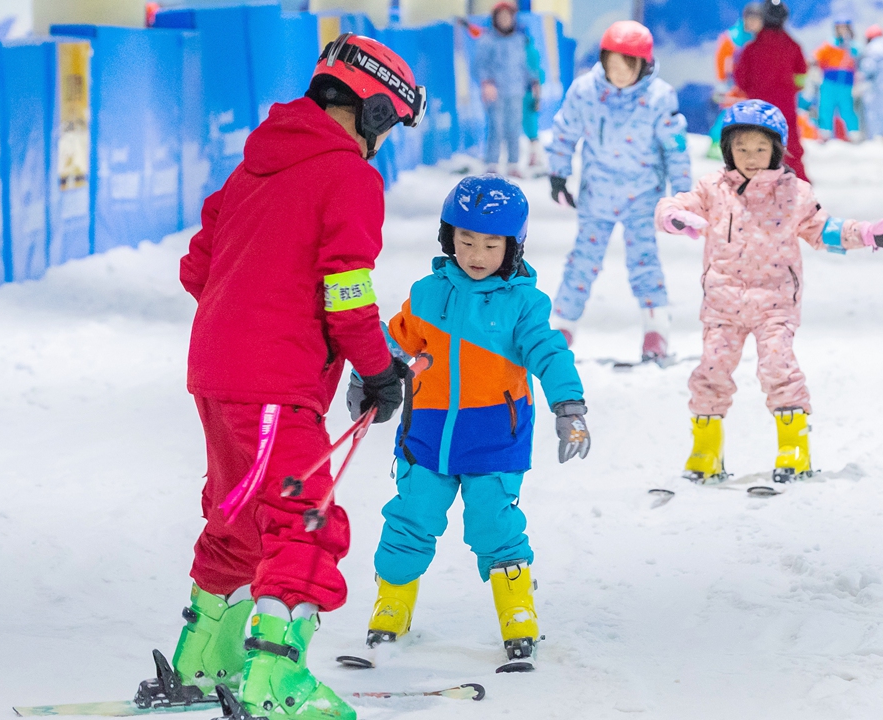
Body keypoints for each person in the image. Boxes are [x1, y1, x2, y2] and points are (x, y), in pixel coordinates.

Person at [171, 34, 422, 720]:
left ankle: (205, 658)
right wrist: (377, 368)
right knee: (304, 521)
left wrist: (246, 315)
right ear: (372, 112)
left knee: (238, 516)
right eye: (390, 127)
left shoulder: (253, 167)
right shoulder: (348, 176)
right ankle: (275, 680)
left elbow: (198, 266)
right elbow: (347, 292)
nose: (385, 143)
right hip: (274, 383)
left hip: (216, 373)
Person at [362, 175, 590, 672]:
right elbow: (396, 342)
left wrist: (568, 405)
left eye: (491, 244)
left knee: (493, 524)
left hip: (494, 437)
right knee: (410, 517)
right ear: (449, 239)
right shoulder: (426, 294)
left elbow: (549, 353)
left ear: (512, 247)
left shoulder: (523, 303)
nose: (477, 254)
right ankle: (393, 604)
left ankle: (517, 611)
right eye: (465, 241)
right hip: (427, 434)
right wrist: (372, 371)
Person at [654, 101, 883, 487]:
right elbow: (675, 204)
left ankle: (794, 447)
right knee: (711, 372)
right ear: (727, 150)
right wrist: (674, 216)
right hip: (723, 302)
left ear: (776, 149)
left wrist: (867, 234)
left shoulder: (795, 193)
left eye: (759, 149)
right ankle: (706, 450)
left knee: (778, 369)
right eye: (741, 149)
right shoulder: (713, 189)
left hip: (774, 303)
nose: (751, 158)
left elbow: (824, 230)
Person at [546, 20, 692, 361]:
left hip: (643, 196)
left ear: (644, 64)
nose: (619, 73)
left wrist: (683, 196)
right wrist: (558, 173)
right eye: (613, 65)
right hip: (597, 193)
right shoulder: (586, 90)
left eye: (627, 66)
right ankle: (563, 325)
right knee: (583, 260)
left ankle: (656, 329)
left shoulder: (659, 97)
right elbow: (565, 129)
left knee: (644, 261)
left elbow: (676, 147)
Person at [733, 0, 811, 179]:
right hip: (786, 108)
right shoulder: (793, 46)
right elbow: (801, 76)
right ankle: (797, 182)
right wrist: (790, 88)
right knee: (790, 145)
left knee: (757, 146)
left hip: (757, 109)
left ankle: (756, 182)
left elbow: (741, 80)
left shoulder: (751, 49)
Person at [476, 2, 538, 176]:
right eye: (500, 17)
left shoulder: (518, 40)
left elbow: (524, 65)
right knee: (496, 127)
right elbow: (481, 66)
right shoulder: (487, 41)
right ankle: (492, 163)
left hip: (516, 91)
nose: (504, 20)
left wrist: (532, 81)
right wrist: (486, 83)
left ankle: (513, 163)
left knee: (514, 128)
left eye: (507, 16)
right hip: (496, 93)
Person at [708, 2, 762, 158]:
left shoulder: (760, 39)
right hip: (733, 84)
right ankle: (716, 143)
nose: (753, 23)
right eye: (751, 19)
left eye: (757, 20)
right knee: (729, 113)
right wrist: (722, 82)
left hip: (753, 86)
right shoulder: (731, 38)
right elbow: (721, 61)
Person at [813, 18, 861, 141]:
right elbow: (816, 57)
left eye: (845, 27)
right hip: (829, 81)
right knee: (826, 107)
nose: (842, 30)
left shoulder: (853, 46)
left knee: (847, 109)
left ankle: (853, 133)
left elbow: (859, 63)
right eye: (840, 27)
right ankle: (825, 132)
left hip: (846, 83)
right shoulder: (830, 44)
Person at [522, 31, 545, 171]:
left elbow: (536, 76)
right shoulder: (530, 51)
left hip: (528, 93)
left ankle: (536, 158)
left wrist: (537, 97)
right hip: (523, 93)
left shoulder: (529, 52)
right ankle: (534, 157)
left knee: (531, 128)